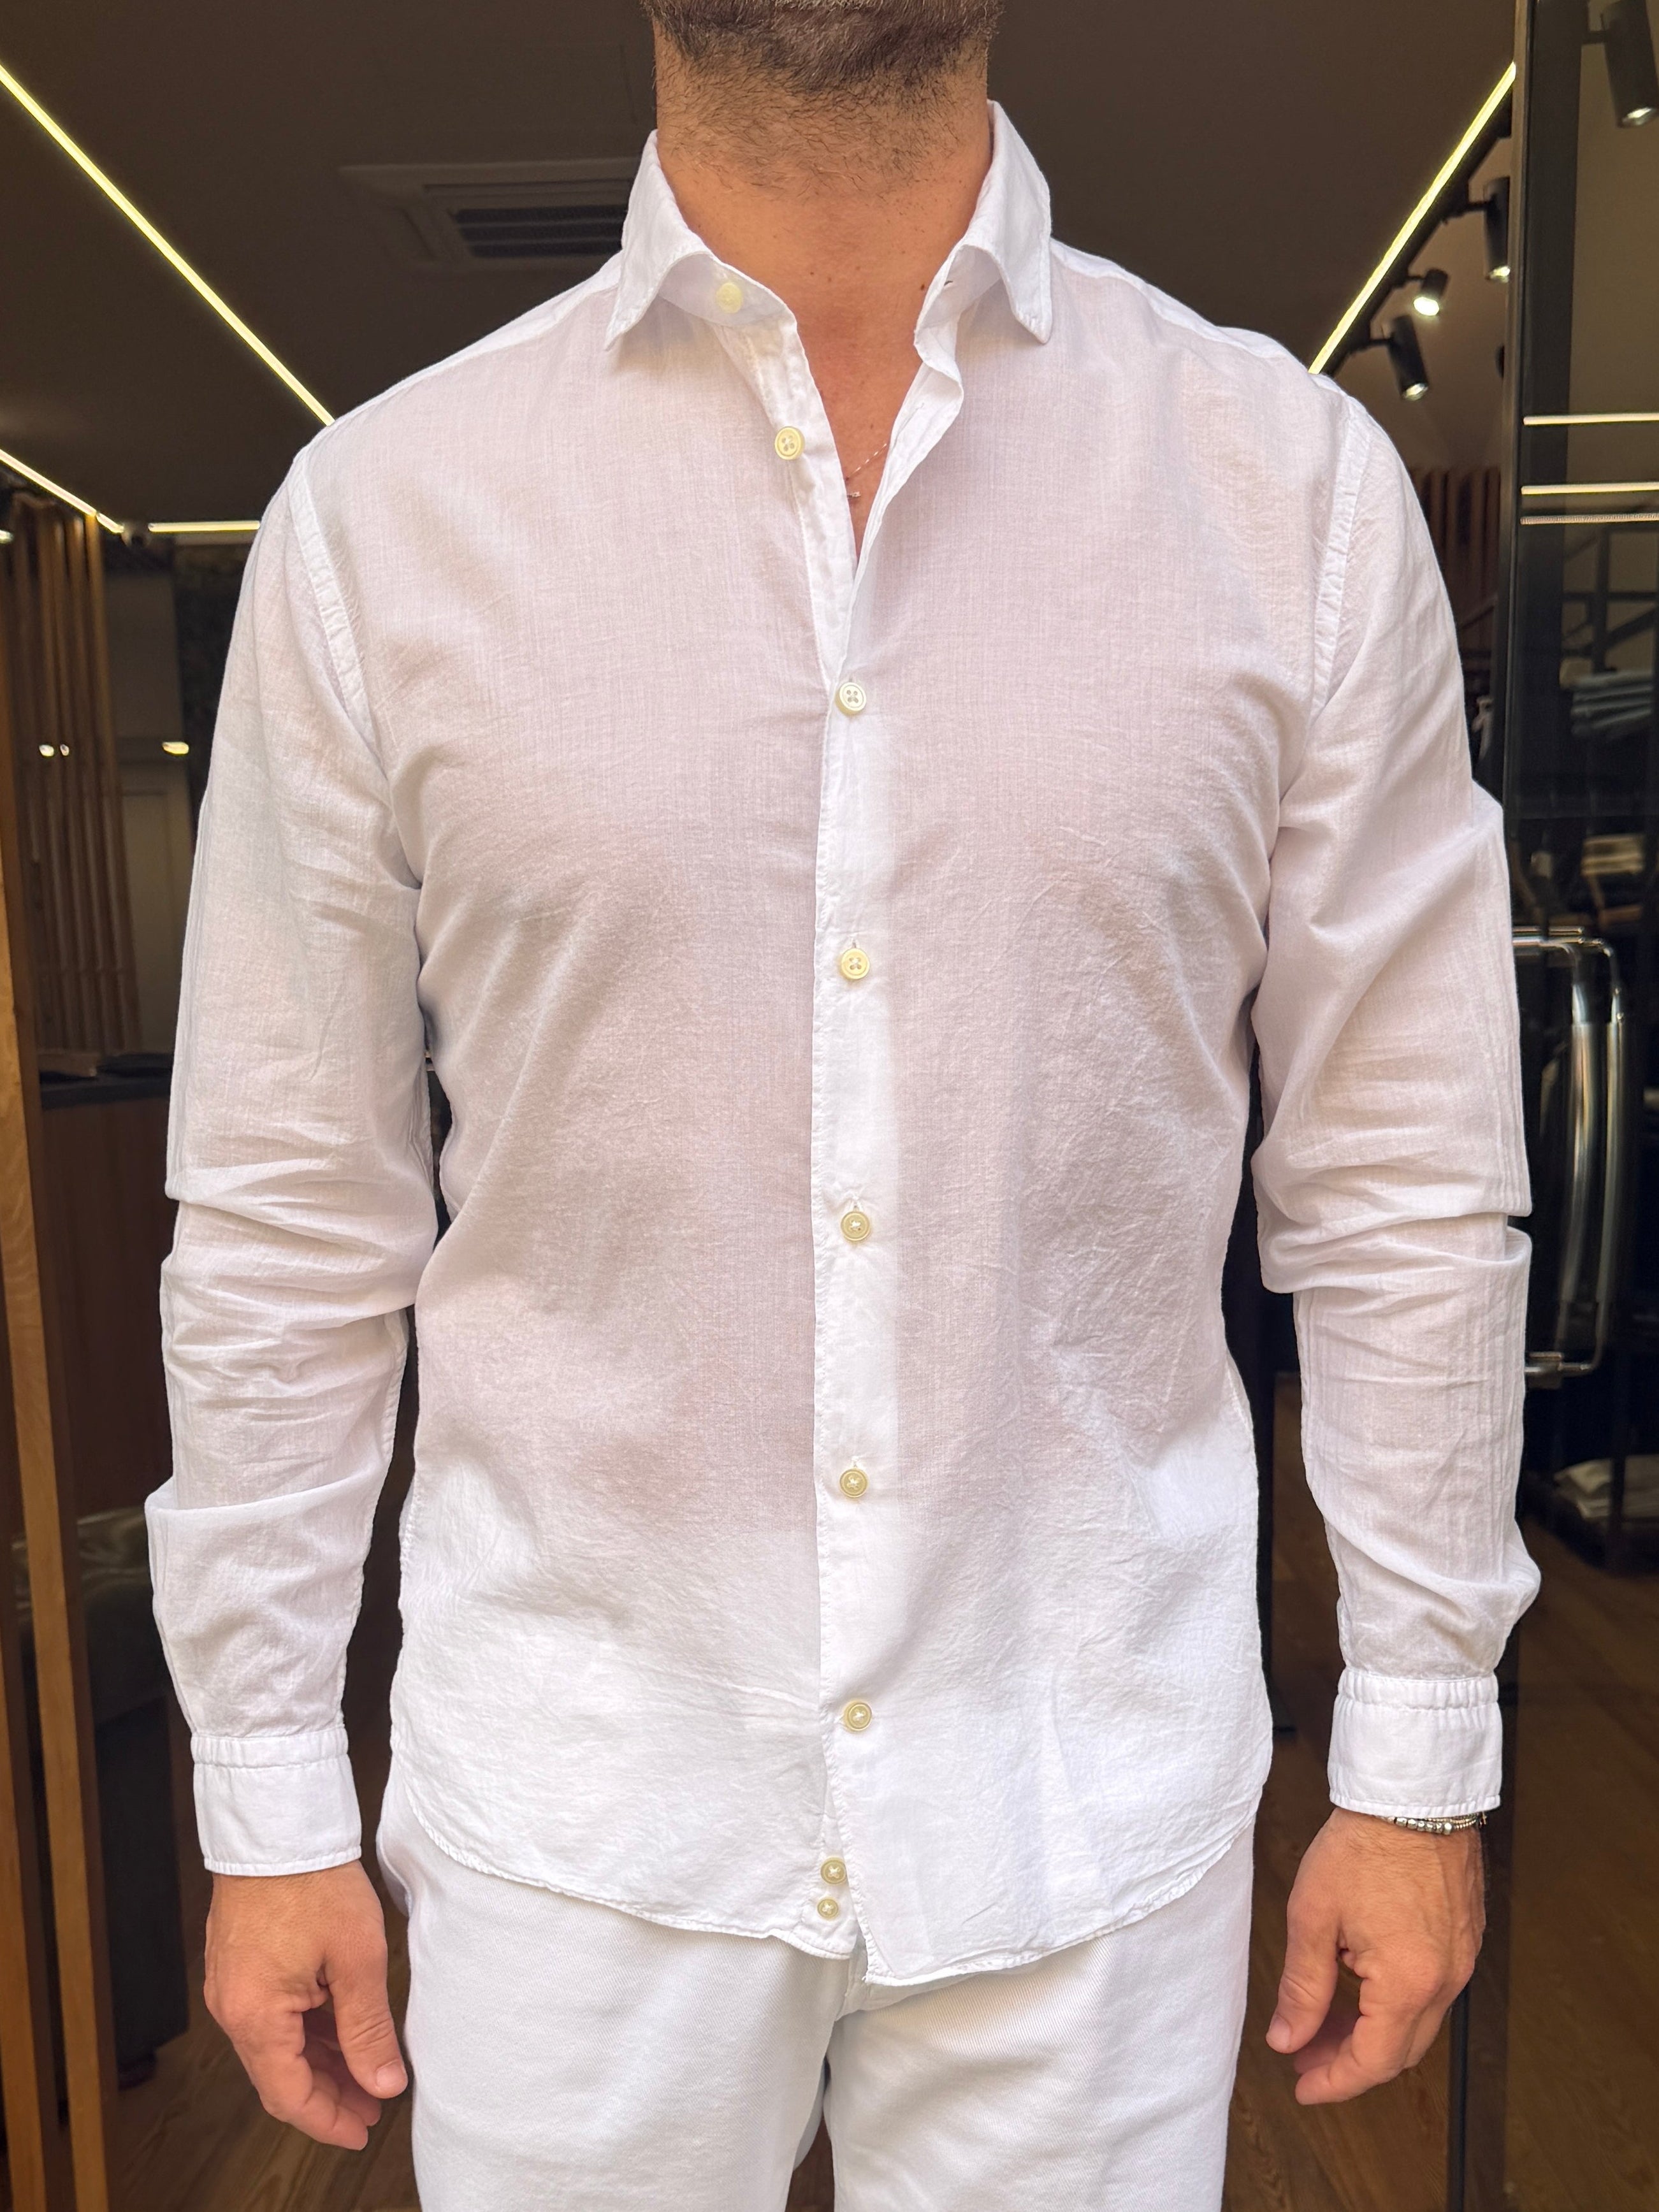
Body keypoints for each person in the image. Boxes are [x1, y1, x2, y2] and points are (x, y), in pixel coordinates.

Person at [149, 2, 1539, 2205]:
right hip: (576, 1809)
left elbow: (1400, 1175)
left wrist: (1415, 1747)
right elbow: (287, 1213)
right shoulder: (384, 522)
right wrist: (265, 1784)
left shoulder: (1286, 495)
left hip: (1086, 1793)